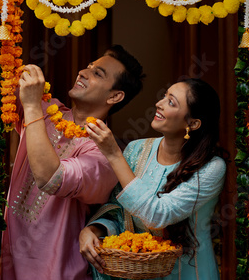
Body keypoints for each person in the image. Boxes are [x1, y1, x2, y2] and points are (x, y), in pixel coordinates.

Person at [0, 45, 145, 280]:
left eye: (98, 74)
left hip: (56, 271)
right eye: (89, 67)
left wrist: (32, 106)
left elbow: (50, 178)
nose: (83, 72)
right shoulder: (48, 109)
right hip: (6, 264)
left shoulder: (104, 155)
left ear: (114, 96)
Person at [79, 78, 226, 280]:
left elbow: (158, 216)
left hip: (189, 273)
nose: (159, 103)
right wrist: (92, 230)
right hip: (139, 274)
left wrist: (113, 155)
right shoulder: (136, 149)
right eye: (164, 96)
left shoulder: (211, 167)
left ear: (192, 123)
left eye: (171, 102)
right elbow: (117, 211)